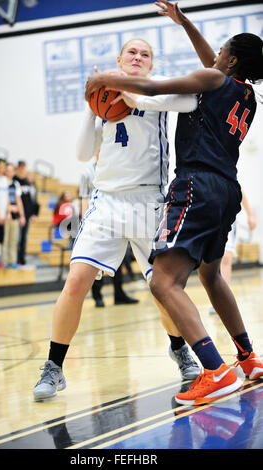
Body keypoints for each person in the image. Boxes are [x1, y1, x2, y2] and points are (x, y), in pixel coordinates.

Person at [85, 1, 263, 405]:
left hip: (196, 185)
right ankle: (249, 359)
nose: (214, 54)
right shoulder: (246, 95)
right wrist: (185, 23)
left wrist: (100, 81)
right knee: (212, 276)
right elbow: (212, 65)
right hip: (227, 190)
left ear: (230, 59)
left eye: (221, 51)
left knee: (162, 281)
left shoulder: (211, 79)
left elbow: (148, 88)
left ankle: (215, 371)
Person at [33, 37, 201, 401]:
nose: (138, 57)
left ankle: (179, 348)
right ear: (119, 60)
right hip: (107, 200)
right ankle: (54, 367)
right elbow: (81, 155)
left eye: (145, 54)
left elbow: (190, 100)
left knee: (163, 291)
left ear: (151, 65)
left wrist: (134, 96)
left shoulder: (157, 93)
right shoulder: (103, 99)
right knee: (76, 281)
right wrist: (91, 103)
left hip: (149, 201)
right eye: (132, 53)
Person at [79, 156, 139, 307]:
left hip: (115, 220)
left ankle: (119, 294)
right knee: (95, 262)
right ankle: (97, 296)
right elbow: (84, 198)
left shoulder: (113, 169)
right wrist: (86, 222)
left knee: (119, 260)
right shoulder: (87, 173)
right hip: (96, 221)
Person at [209, 189, 257, 314]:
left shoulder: (227, 173)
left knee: (225, 257)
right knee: (211, 259)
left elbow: (240, 190)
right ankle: (215, 298)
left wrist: (250, 215)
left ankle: (222, 301)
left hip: (227, 217)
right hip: (210, 217)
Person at [2, 163, 26, 269]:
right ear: (5, 171)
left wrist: (22, 215)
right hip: (5, 215)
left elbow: (18, 200)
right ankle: (4, 262)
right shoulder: (2, 182)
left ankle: (12, 261)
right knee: (5, 239)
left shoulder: (15, 183)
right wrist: (8, 210)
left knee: (14, 240)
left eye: (12, 170)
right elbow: (2, 198)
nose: (10, 172)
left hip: (15, 215)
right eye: (8, 170)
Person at [13, 161, 37, 265]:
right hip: (16, 215)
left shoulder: (27, 182)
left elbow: (32, 201)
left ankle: (21, 259)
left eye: (24, 168)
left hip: (26, 215)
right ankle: (14, 259)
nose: (22, 169)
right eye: (20, 167)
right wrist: (19, 215)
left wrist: (33, 214)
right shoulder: (14, 180)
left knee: (23, 238)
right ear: (17, 168)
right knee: (16, 238)